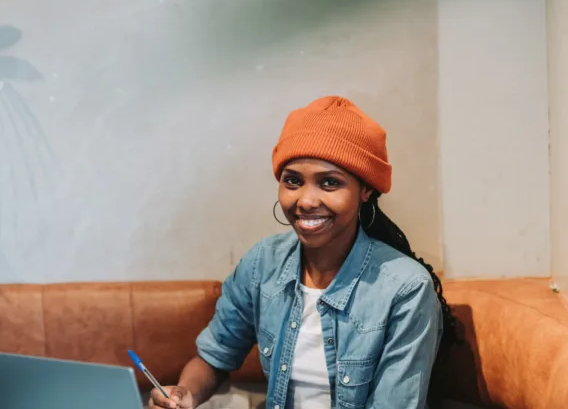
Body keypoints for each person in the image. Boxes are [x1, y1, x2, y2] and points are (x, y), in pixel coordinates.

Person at [149, 96, 457, 409]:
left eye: (329, 183)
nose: (306, 200)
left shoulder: (405, 288)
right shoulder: (262, 263)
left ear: (365, 191)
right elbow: (213, 358)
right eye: (293, 181)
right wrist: (184, 394)